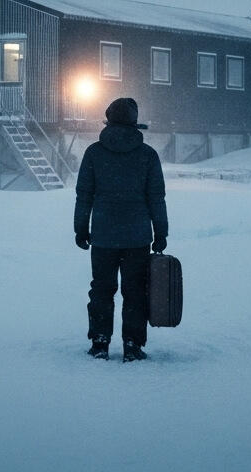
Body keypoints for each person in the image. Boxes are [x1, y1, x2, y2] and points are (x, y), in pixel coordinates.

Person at [73, 97, 168, 362]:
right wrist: (160, 233)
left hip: (103, 237)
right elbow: (156, 198)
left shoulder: (94, 153)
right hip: (137, 238)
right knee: (135, 292)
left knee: (102, 290)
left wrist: (81, 228)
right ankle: (132, 346)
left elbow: (84, 195)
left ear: (109, 120)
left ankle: (100, 343)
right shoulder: (147, 155)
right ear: (134, 123)